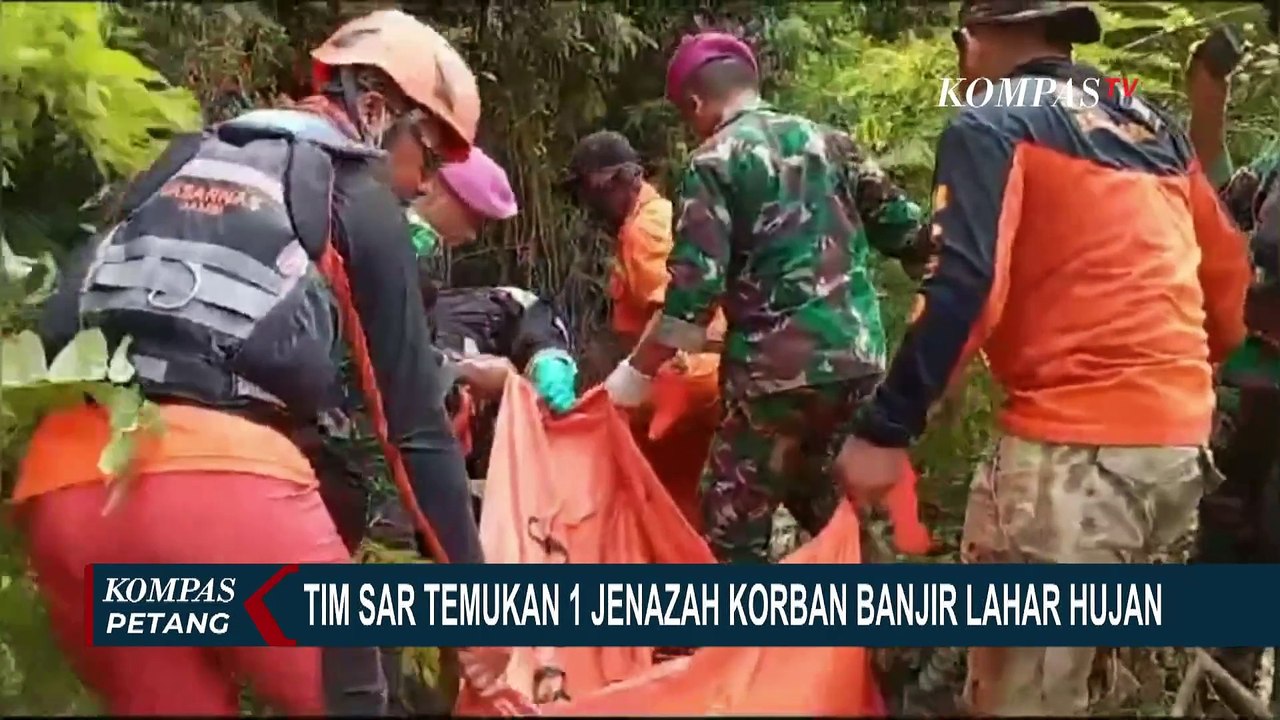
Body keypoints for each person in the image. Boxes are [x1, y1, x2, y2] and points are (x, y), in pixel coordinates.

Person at [12, 10, 515, 715]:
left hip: (69, 490)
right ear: (376, 111)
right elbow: (415, 431)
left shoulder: (179, 160)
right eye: (427, 159)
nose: (421, 185)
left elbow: (60, 324)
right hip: (226, 497)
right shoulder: (356, 193)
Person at [833, 1, 1252, 715]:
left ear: (976, 41)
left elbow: (964, 282)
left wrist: (886, 428)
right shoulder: (1147, 123)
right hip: (1177, 451)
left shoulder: (993, 120)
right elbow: (1228, 284)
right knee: (1104, 679)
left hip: (1073, 459)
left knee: (1022, 696)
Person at [602, 32, 926, 565]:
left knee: (731, 524)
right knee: (827, 499)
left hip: (776, 379)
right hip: (858, 362)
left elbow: (692, 299)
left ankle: (739, 645)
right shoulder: (832, 142)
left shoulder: (714, 162)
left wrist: (632, 378)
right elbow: (909, 234)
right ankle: (900, 642)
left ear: (696, 103)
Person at [1186, 9, 1280, 694]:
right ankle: (1224, 685)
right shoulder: (1277, 161)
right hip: (1252, 385)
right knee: (1227, 540)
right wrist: (1206, 93)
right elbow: (1219, 206)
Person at [563, 130, 723, 528]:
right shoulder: (658, 217)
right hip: (690, 375)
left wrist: (632, 378)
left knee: (626, 475)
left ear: (611, 183)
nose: (588, 206)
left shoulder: (646, 229)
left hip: (678, 378)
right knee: (670, 492)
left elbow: (673, 314)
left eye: (588, 192)